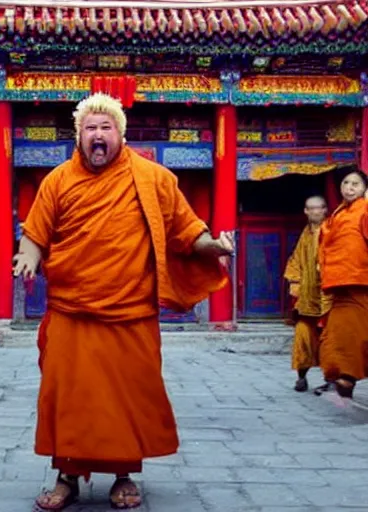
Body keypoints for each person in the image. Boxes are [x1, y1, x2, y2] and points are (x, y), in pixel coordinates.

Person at [13, 93, 234, 510]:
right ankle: (67, 475)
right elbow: (36, 233)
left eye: (105, 128)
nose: (98, 136)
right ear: (78, 136)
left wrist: (215, 247)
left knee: (126, 397)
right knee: (70, 396)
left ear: (121, 134)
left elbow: (189, 233)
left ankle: (123, 474)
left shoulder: (154, 179)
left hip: (130, 309)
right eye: (90, 129)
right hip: (71, 308)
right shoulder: (57, 180)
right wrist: (28, 255)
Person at [318, 170, 368, 399]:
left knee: (354, 333)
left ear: (364, 189)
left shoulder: (364, 211)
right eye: (346, 183)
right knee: (338, 333)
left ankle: (347, 377)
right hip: (338, 280)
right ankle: (343, 375)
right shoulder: (339, 213)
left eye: (355, 184)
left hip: (359, 279)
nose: (349, 187)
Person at [284, 196, 330, 392]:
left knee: (330, 340)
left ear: (325, 210)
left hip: (328, 295)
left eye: (318, 208)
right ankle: (301, 377)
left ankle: (332, 379)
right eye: (310, 209)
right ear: (305, 211)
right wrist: (295, 281)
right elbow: (296, 260)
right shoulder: (306, 233)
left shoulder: (332, 230)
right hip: (307, 296)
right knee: (303, 337)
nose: (314, 212)